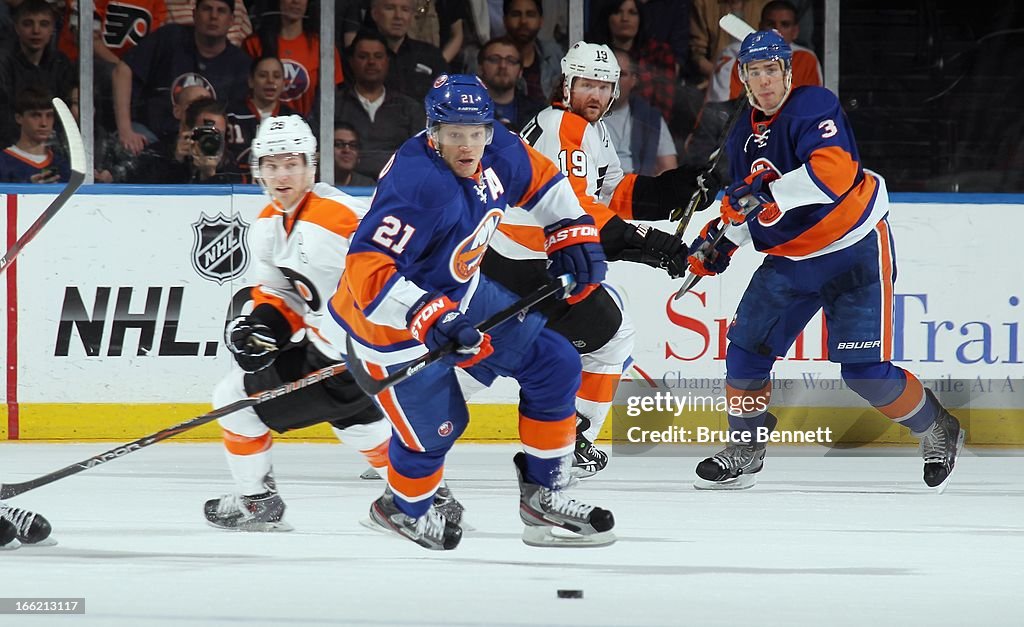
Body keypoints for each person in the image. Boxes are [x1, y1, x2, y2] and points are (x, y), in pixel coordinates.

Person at [326, 74, 616, 550]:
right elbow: (365, 269)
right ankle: (401, 508)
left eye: (475, 132)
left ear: (488, 128)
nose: (467, 145)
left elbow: (544, 181)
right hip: (387, 325)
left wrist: (571, 229)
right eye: (453, 134)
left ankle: (544, 497)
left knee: (554, 363)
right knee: (437, 431)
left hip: (463, 296)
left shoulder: (498, 146)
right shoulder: (417, 183)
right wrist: (429, 315)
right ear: (432, 132)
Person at [684, 31, 965, 491]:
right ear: (743, 78)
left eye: (771, 70)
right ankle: (746, 448)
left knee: (865, 374)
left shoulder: (812, 105)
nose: (765, 80)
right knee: (744, 355)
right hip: (791, 259)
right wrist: (722, 241)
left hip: (851, 249)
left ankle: (937, 427)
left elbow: (833, 175)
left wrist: (761, 195)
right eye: (754, 72)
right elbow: (747, 204)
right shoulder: (739, 136)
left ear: (788, 73)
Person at [488, 42, 700, 477]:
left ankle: (405, 428)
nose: (596, 96)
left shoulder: (590, 131)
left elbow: (613, 196)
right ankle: (571, 438)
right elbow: (580, 212)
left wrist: (674, 189)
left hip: (514, 261)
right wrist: (654, 244)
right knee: (614, 334)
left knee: (482, 358)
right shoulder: (567, 126)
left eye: (604, 87)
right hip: (529, 262)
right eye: (586, 84)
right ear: (565, 85)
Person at [203, 115, 394, 531]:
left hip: (352, 353)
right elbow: (282, 295)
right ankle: (425, 496)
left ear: (311, 165)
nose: (281, 175)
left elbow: (395, 270)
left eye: (291, 163)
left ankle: (257, 503)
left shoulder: (337, 217)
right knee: (355, 421)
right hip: (337, 354)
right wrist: (261, 329)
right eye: (271, 165)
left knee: (233, 402)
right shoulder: (268, 224)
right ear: (258, 170)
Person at [113, 0, 251, 155]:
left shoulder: (241, 64)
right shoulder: (170, 37)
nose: (213, 16)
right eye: (207, 9)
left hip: (202, 145)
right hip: (150, 137)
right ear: (194, 14)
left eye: (221, 11)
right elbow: (123, 69)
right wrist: (125, 129)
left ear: (232, 20)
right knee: (127, 153)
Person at [334, 30, 424, 181]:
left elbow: (422, 157)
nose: (371, 62)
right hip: (345, 192)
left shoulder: (409, 108)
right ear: (351, 61)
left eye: (378, 56)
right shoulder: (333, 106)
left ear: (387, 61)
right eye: (363, 56)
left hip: (397, 190)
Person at [242, 0, 343, 118]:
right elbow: (245, 93)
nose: (296, 2)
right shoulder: (254, 44)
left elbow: (331, 99)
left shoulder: (323, 47)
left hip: (307, 129)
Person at [706, 0, 822, 104]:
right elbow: (721, 110)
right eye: (770, 24)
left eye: (785, 25)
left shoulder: (806, 59)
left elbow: (814, 107)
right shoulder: (735, 54)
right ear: (760, 26)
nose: (776, 30)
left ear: (795, 32)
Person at [0, 0, 76, 147]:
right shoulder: (3, 62)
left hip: (52, 145)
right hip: (10, 147)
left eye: (44, 24)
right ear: (17, 28)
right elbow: (3, 116)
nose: (36, 31)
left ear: (52, 29)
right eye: (28, 24)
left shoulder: (60, 63)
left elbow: (66, 109)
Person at [604, 47, 677, 176]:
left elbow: (669, 167)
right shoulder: (587, 116)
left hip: (638, 191)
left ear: (634, 80)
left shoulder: (650, 117)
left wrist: (647, 189)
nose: (615, 80)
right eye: (610, 73)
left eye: (621, 75)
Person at [225, 55, 298, 177]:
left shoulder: (294, 120)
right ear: (251, 81)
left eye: (276, 76)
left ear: (283, 83)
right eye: (263, 75)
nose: (270, 81)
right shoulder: (231, 115)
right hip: (236, 188)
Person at [367, 0, 449, 102]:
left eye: (405, 10)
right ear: (374, 14)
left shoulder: (431, 55)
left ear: (411, 15)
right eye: (390, 8)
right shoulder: (362, 59)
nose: (398, 16)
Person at [0, 86, 70, 184]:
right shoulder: (3, 163)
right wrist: (29, 190)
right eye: (36, 115)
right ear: (19, 118)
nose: (44, 123)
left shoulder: (63, 165)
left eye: (49, 115)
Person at [475, 35, 543, 133]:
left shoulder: (538, 113)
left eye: (511, 61)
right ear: (480, 67)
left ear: (520, 71)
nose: (503, 66)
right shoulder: (466, 109)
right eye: (494, 59)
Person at [501, 0, 562, 103]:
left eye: (530, 15)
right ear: (504, 20)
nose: (523, 21)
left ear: (541, 21)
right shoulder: (493, 60)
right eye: (516, 14)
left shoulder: (554, 55)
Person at [333, 122, 376, 186]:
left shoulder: (368, 186)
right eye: (339, 144)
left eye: (353, 145)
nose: (347, 150)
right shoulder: (314, 183)